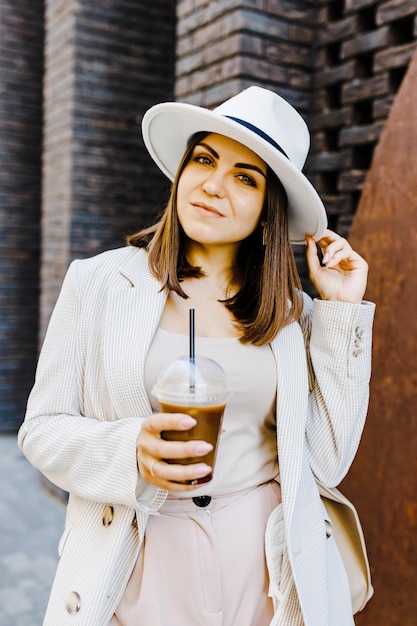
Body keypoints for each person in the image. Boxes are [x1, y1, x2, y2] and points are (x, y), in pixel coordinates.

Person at [18, 86, 375, 626]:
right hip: (138, 555)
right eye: (204, 160)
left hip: (264, 565)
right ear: (181, 171)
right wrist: (129, 449)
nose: (213, 185)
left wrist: (342, 313)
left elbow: (325, 461)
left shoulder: (288, 312)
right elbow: (41, 430)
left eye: (245, 177)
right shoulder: (98, 283)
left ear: (266, 210)